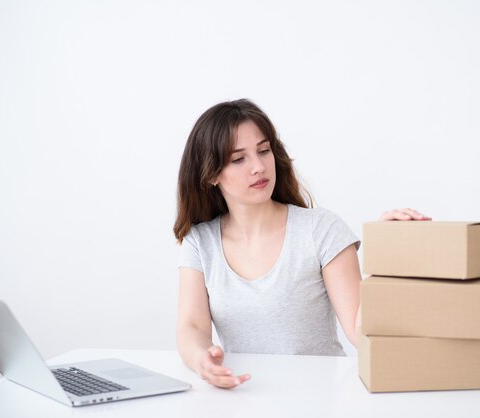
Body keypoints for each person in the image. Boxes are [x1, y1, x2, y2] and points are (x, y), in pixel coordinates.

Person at [173, 99, 430, 389]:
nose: (258, 167)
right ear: (211, 174)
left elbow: (363, 334)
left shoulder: (321, 229)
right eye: (238, 159)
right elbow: (191, 328)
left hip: (319, 400)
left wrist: (383, 257)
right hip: (244, 398)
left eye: (264, 150)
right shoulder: (199, 243)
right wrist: (202, 361)